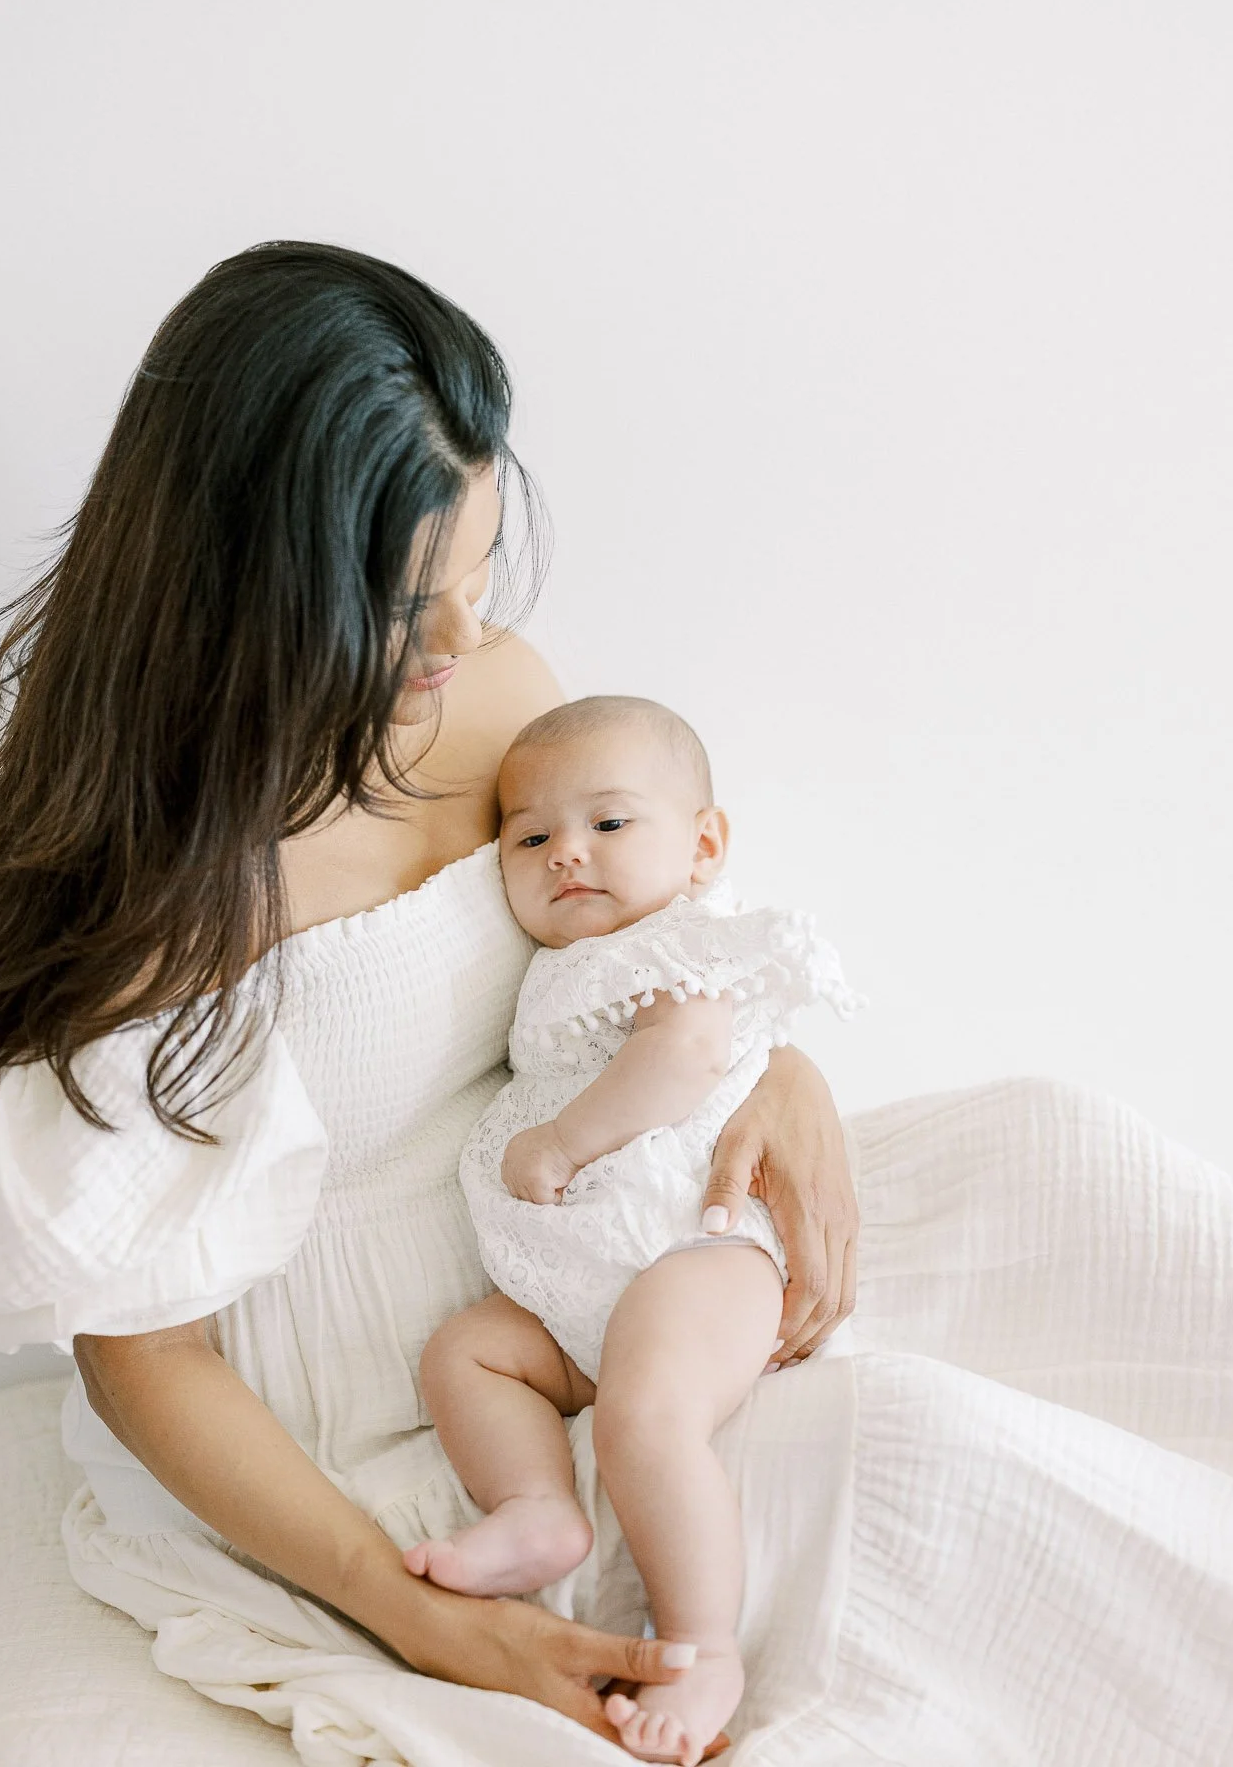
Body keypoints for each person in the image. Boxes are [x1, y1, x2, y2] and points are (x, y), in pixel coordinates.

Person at [0, 242, 1233, 1767]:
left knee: (1053, 1151)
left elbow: (642, 913)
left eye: (475, 581)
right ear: (253, 580)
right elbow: (147, 1358)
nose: (461, 650)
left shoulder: (491, 697)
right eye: (407, 608)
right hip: (398, 1410)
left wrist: (766, 1061)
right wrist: (420, 1616)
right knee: (912, 1454)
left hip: (600, 1223)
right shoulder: (149, 904)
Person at [407, 694, 862, 1765]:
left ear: (702, 847)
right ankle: (535, 1510)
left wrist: (562, 1144)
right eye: (531, 837)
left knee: (644, 1419)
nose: (567, 853)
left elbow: (693, 1049)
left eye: (609, 825)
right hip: (585, 1287)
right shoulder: (563, 969)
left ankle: (703, 1645)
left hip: (694, 1249)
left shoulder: (679, 945)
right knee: (467, 1353)